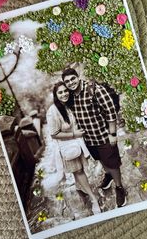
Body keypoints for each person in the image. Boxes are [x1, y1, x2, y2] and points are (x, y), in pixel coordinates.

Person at [62, 68, 127, 208]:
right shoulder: (71, 96)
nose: (71, 83)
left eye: (72, 78)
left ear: (77, 76)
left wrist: (112, 134)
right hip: (88, 139)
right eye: (67, 81)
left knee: (112, 163)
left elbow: (110, 111)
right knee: (101, 159)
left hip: (104, 136)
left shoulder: (94, 89)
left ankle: (119, 187)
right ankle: (108, 176)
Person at [46, 81, 101, 215]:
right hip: (67, 147)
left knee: (79, 171)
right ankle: (94, 199)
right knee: (79, 171)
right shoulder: (53, 111)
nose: (64, 94)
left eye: (65, 91)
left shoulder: (70, 105)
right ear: (55, 95)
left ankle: (80, 188)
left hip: (78, 144)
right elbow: (54, 134)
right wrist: (74, 134)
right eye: (60, 92)